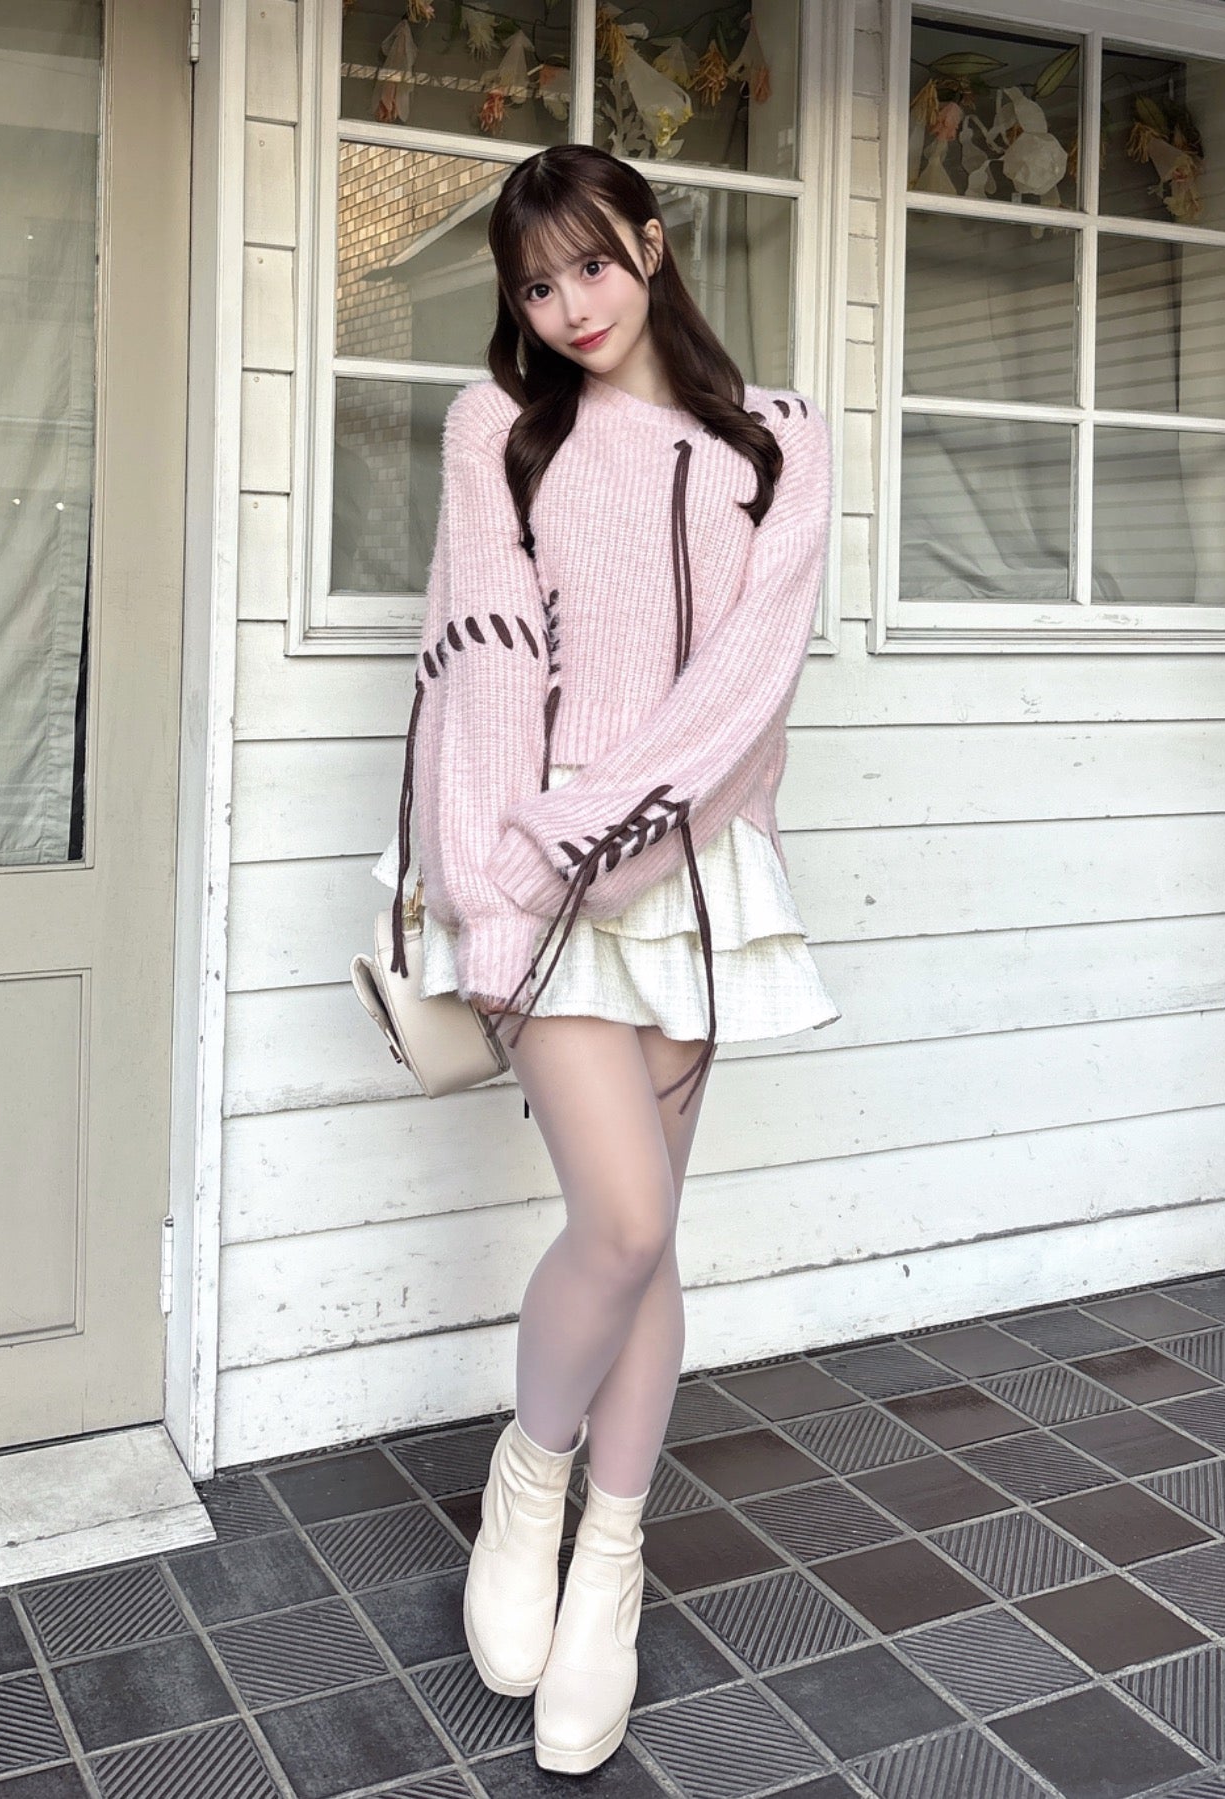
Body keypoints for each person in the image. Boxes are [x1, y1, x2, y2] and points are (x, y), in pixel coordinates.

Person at [368, 141, 839, 1774]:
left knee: (647, 1242)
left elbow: (751, 681)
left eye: (590, 263)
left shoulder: (774, 439)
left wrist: (616, 833)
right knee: (622, 1218)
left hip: (688, 879)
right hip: (533, 875)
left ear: (650, 240)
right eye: (535, 283)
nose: (569, 305)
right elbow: (479, 657)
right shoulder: (498, 429)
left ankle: (611, 1565)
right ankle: (530, 1479)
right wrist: (506, 888)